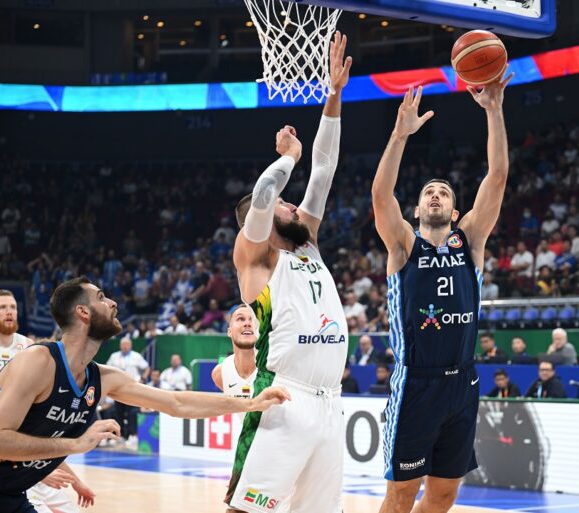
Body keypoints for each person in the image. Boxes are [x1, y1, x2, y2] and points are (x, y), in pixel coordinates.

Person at [0, 278, 289, 513]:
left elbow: (176, 403)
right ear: (83, 312)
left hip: (11, 497)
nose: (113, 303)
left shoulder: (102, 378)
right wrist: (76, 445)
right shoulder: (38, 362)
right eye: (101, 298)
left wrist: (250, 402)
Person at [371, 71, 513, 513]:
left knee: (445, 495)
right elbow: (380, 196)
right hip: (417, 381)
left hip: (463, 382)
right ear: (417, 209)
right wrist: (399, 136)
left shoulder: (470, 241)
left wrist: (494, 111)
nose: (436, 195)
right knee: (401, 494)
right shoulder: (403, 245)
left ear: (455, 211)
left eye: (444, 193)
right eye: (429, 192)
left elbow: (498, 176)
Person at [226, 31, 352, 513]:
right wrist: (287, 157)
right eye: (287, 204)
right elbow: (263, 195)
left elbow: (325, 169)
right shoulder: (255, 256)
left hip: (330, 401)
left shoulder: (307, 243)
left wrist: (333, 96)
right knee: (248, 508)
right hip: (284, 394)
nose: (295, 205)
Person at [0, 290, 96, 513]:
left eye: (13, 307)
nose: (9, 312)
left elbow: (39, 436)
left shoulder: (29, 347)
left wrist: (73, 480)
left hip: (24, 453)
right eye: (2, 307)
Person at [105, 336, 150, 447]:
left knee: (131, 412)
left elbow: (147, 368)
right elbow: (107, 369)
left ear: (130, 345)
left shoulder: (136, 356)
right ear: (120, 346)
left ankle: (131, 435)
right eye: (123, 345)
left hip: (131, 388)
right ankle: (120, 436)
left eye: (126, 345)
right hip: (117, 388)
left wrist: (143, 378)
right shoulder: (114, 356)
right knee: (118, 413)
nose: (124, 347)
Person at [211, 305, 257, 399]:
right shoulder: (220, 374)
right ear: (229, 331)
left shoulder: (276, 369)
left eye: (253, 319)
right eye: (241, 319)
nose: (247, 323)